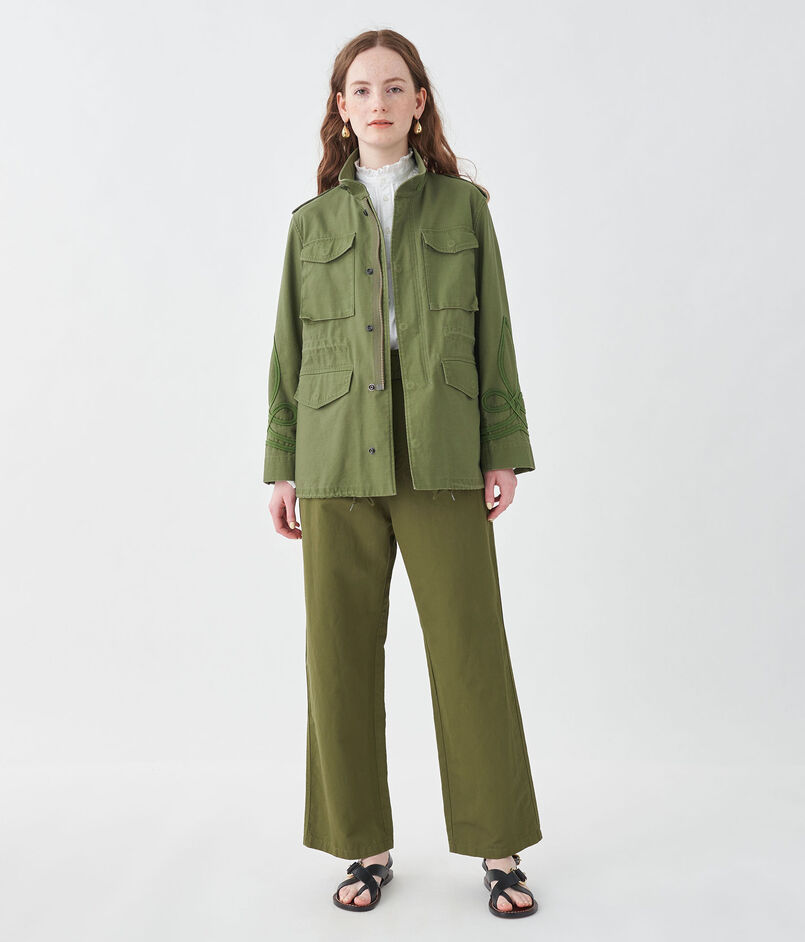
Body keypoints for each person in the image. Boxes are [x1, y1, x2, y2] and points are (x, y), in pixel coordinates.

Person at [262, 29, 543, 918]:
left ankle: (498, 847)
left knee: (469, 650)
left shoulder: (463, 209)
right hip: (333, 451)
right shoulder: (310, 224)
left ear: (419, 102)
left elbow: (493, 332)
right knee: (338, 656)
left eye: (394, 87)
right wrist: (281, 465)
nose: (377, 101)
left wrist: (501, 445)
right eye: (360, 89)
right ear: (340, 110)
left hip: (442, 445)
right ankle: (363, 845)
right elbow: (287, 352)